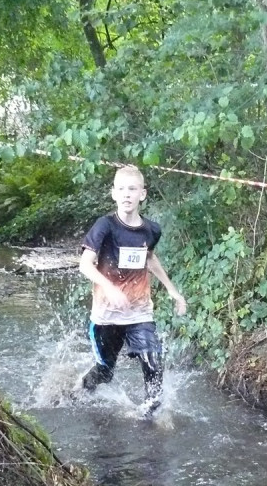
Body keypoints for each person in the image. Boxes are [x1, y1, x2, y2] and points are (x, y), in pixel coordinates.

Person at [78, 165, 186, 416]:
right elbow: (85, 264)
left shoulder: (151, 230)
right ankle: (78, 392)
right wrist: (110, 288)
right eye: (121, 189)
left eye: (132, 189)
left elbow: (149, 259)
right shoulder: (104, 226)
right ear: (113, 194)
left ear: (143, 194)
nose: (127, 194)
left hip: (139, 312)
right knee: (105, 373)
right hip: (106, 316)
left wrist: (172, 290)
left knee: (154, 364)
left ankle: (150, 415)